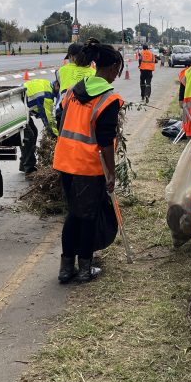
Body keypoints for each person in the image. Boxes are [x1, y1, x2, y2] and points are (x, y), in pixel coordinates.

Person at [53, 39, 124, 284]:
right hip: (87, 166)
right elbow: (106, 142)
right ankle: (84, 269)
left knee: (73, 213)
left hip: (65, 161)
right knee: (88, 216)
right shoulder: (108, 99)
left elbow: (60, 120)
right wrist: (111, 174)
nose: (117, 75)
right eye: (118, 69)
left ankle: (65, 268)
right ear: (113, 67)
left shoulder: (74, 90)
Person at [20, 76, 60, 175]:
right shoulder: (47, 95)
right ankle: (29, 170)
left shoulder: (47, 84)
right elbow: (48, 119)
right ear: (56, 85)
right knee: (29, 135)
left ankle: (23, 164)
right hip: (17, 108)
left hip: (21, 107)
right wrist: (56, 136)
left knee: (33, 131)